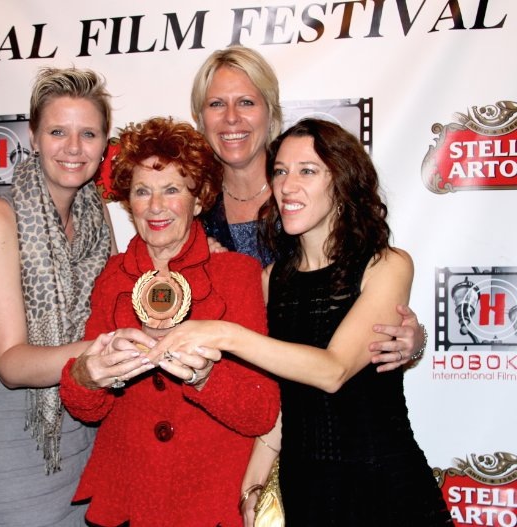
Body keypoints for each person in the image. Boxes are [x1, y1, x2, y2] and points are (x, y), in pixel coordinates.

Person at [155, 118, 454, 526]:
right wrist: (253, 484)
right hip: (306, 491)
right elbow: (287, 402)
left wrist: (226, 333)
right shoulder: (270, 279)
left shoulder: (386, 265)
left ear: (343, 182)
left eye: (307, 171)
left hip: (383, 489)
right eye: (280, 171)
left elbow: (332, 371)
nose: (287, 185)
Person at [0, 67, 152, 526]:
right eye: (58, 131)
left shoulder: (95, 213)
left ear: (104, 145)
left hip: (84, 439)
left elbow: (120, 297)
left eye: (89, 133)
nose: (74, 148)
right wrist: (106, 350)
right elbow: (11, 363)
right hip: (9, 456)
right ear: (34, 137)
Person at [58, 117, 280, 527]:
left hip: (214, 502)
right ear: (129, 201)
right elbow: (85, 409)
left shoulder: (237, 275)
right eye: (142, 191)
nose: (156, 207)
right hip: (130, 501)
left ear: (198, 200)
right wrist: (88, 376)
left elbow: (263, 412)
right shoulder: (112, 276)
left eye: (172, 190)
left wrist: (206, 379)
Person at [191, 45, 426, 371]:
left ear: (270, 112)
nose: (231, 117)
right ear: (199, 118)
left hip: (316, 397)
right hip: (225, 396)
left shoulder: (309, 200)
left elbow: (356, 299)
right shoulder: (188, 208)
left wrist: (413, 339)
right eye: (216, 104)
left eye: (246, 102)